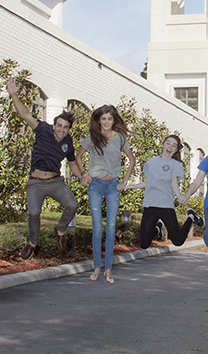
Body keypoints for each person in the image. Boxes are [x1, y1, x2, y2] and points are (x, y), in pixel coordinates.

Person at [7, 76, 87, 260]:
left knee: (72, 205)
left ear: (69, 129)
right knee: (34, 213)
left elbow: (72, 162)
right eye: (59, 125)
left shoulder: (68, 141)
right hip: (35, 182)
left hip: (55, 181)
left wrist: (82, 174)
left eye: (65, 127)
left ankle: (60, 230)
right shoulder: (43, 130)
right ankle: (32, 243)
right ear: (54, 125)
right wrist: (13, 95)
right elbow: (25, 115)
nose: (61, 129)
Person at [75, 105, 135, 284]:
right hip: (96, 184)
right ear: (98, 121)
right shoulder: (92, 138)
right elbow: (77, 158)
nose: (107, 122)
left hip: (113, 186)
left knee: (110, 228)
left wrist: (124, 181)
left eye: (109, 119)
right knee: (97, 228)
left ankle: (108, 269)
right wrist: (84, 174)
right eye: (103, 119)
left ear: (114, 120)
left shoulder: (120, 138)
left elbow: (132, 160)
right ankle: (96, 267)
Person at [126, 135, 204, 249]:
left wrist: (179, 196)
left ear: (176, 150)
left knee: (177, 241)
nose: (170, 147)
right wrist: (127, 187)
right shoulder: (151, 162)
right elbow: (147, 183)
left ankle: (191, 217)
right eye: (168, 143)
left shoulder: (176, 165)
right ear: (163, 144)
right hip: (150, 204)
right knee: (144, 244)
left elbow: (174, 183)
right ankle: (157, 228)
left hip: (165, 205)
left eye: (174, 146)